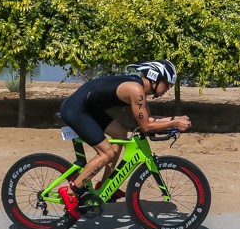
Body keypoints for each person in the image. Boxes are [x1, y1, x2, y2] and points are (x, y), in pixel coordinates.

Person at [57, 60, 191, 218]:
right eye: (167, 84)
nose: (167, 89)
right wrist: (175, 122)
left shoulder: (139, 89)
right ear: (155, 79)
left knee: (120, 134)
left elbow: (149, 120)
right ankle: (72, 191)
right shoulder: (136, 90)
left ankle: (106, 185)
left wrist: (175, 118)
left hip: (89, 109)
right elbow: (146, 127)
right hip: (76, 110)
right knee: (106, 153)